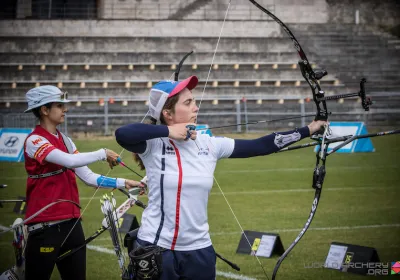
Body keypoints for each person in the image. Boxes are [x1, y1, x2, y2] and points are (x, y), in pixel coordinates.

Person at [115, 76, 327, 280]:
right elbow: (122, 134)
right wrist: (169, 131)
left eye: (194, 101)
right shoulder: (153, 145)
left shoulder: (209, 144)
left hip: (199, 249)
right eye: (188, 103)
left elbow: (261, 145)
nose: (195, 108)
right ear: (168, 113)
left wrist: (309, 129)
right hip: (156, 247)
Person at [22, 85, 144, 280]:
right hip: (45, 227)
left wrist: (124, 182)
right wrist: (102, 153)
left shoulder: (67, 141)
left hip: (72, 225)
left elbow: (88, 177)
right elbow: (69, 161)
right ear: (44, 110)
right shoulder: (34, 141)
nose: (65, 109)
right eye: (59, 105)